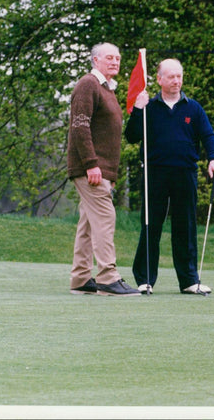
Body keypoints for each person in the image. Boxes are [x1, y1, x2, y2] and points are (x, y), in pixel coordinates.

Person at [125, 58, 214, 295]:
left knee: (185, 226)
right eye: (171, 76)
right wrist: (138, 109)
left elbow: (208, 135)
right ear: (159, 79)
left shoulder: (193, 108)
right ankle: (145, 279)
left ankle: (189, 280)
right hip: (154, 173)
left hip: (185, 173)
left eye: (179, 76)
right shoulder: (148, 106)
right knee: (151, 225)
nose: (176, 81)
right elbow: (131, 136)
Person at [66, 42, 140, 296]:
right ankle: (108, 278)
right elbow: (80, 126)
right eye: (109, 58)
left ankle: (80, 277)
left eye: (118, 58)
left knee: (88, 222)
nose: (115, 62)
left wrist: (108, 172)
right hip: (90, 168)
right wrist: (91, 164)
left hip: (100, 169)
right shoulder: (88, 84)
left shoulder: (107, 89)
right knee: (105, 218)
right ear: (95, 60)